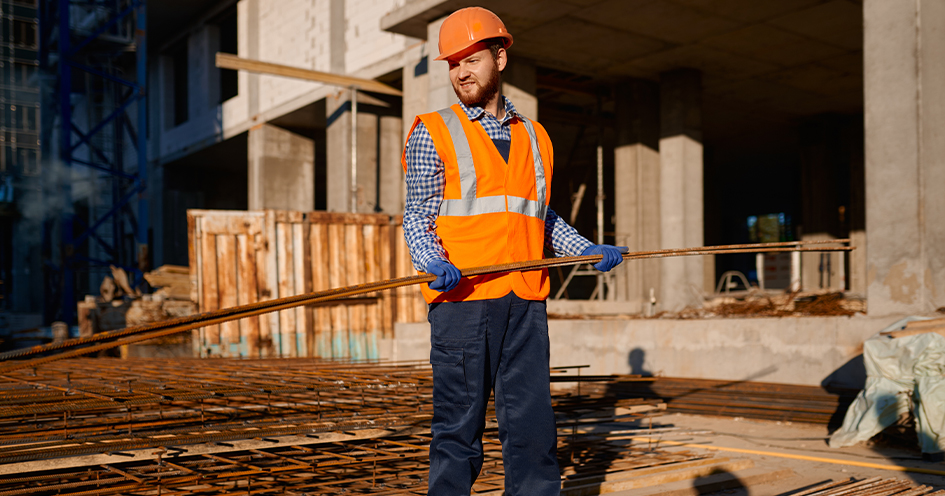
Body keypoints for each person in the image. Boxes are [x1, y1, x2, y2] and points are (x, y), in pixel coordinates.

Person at [401, 7, 626, 495]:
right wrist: (431, 260)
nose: (460, 72)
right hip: (462, 299)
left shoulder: (536, 136)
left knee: (532, 426)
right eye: (452, 63)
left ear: (499, 58)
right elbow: (417, 215)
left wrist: (586, 249)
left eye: (471, 59)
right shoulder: (431, 130)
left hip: (525, 298)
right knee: (458, 430)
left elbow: (539, 218)